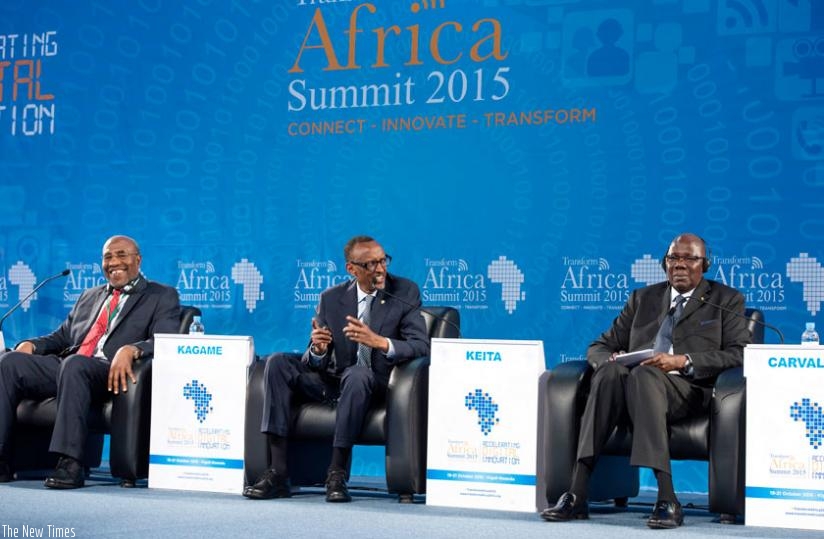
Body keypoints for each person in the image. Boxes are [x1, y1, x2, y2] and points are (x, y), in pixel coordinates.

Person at [540, 233, 751, 529]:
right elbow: (600, 345)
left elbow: (739, 353)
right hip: (634, 386)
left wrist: (683, 361)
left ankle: (667, 496)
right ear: (664, 264)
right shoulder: (643, 299)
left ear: (705, 264)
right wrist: (609, 361)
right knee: (613, 373)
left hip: (689, 391)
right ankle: (577, 493)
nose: (679, 265)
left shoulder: (725, 300)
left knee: (645, 373)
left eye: (689, 258)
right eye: (673, 258)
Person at [244, 235, 429, 502]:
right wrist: (318, 350)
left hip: (379, 384)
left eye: (382, 260)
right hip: (333, 381)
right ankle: (278, 471)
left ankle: (336, 472)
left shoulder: (404, 291)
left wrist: (379, 342)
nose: (380, 269)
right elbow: (315, 356)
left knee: (357, 374)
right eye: (370, 264)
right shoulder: (331, 298)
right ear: (351, 269)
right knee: (277, 363)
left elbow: (421, 346)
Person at [0, 235, 181, 488]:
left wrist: (133, 349)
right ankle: (2, 459)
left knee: (74, 365)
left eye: (121, 255)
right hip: (68, 365)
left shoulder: (161, 295)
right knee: (8, 362)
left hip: (108, 371)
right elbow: (62, 336)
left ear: (137, 260)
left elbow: (167, 340)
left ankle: (70, 463)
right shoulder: (90, 295)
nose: (114, 262)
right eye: (108, 257)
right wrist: (33, 345)